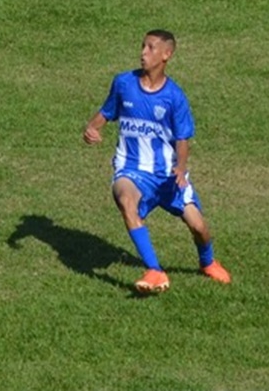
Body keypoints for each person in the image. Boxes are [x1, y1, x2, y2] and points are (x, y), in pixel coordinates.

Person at [83, 29, 231, 293]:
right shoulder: (123, 83)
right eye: (142, 46)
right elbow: (107, 112)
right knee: (126, 201)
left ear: (167, 55)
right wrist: (92, 128)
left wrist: (181, 169)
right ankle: (154, 269)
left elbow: (183, 138)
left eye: (150, 48)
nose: (143, 53)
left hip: (167, 175)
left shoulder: (174, 97)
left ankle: (207, 262)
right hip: (130, 169)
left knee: (199, 227)